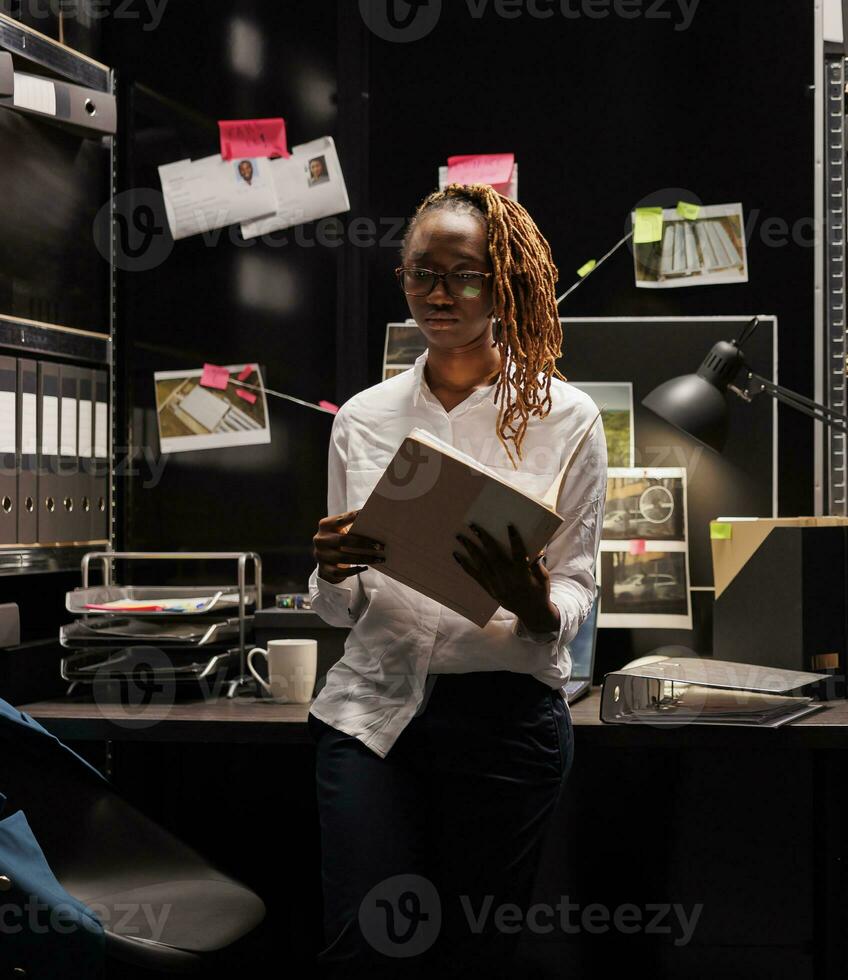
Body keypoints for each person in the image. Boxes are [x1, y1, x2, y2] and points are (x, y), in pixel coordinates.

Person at [307, 183, 606, 978]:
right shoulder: (362, 419)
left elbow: (577, 585)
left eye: (464, 274)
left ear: (502, 281)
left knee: (473, 954)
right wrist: (330, 571)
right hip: (373, 712)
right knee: (367, 945)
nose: (439, 294)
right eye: (421, 273)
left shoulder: (566, 418)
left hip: (505, 720)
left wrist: (535, 602)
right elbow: (340, 607)